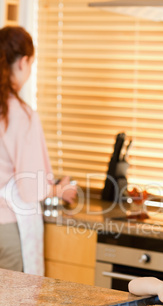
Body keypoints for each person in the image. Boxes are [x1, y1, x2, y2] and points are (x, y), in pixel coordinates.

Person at [0, 26, 77, 275]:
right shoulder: (20, 116)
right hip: (8, 227)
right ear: (23, 62)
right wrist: (59, 190)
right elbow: (29, 187)